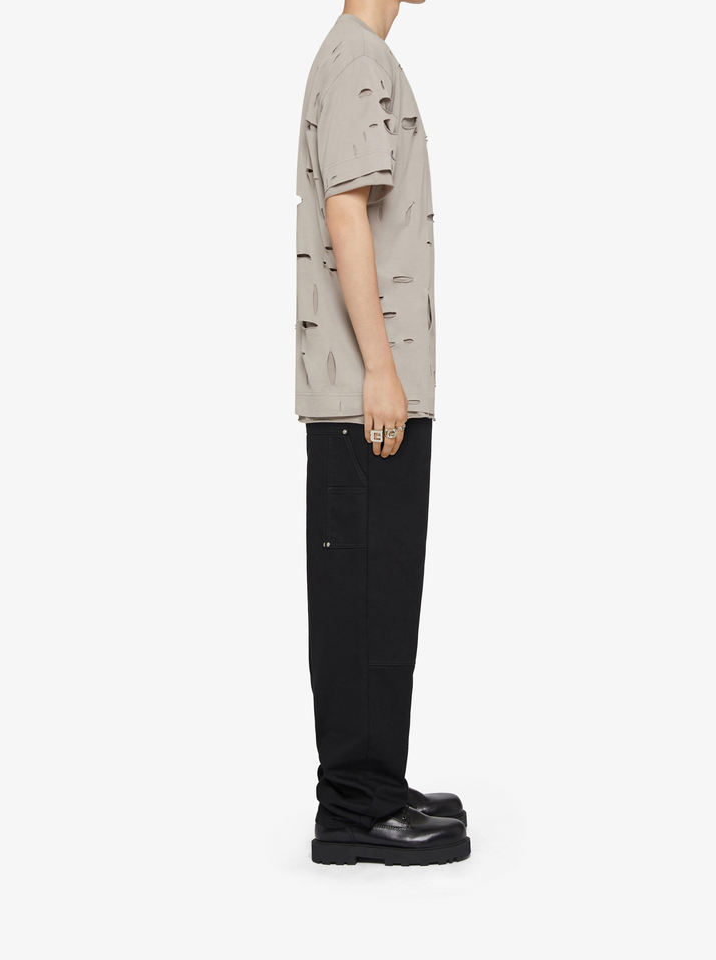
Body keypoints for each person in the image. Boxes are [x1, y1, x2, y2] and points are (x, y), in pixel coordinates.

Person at [295, 2, 470, 866]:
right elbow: (346, 212)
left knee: (382, 592)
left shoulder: (359, 55)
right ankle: (355, 808)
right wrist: (379, 369)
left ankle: (375, 786)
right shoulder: (358, 60)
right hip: (367, 392)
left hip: (375, 385)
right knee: (365, 596)